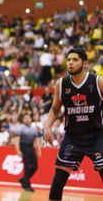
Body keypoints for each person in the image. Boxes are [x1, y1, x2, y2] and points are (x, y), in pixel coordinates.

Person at [44, 48, 103, 201]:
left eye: (75, 60)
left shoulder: (98, 82)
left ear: (84, 63)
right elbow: (55, 109)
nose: (70, 63)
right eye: (68, 59)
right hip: (73, 137)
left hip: (97, 136)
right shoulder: (61, 84)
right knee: (58, 180)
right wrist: (47, 126)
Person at [14, 113, 41, 192]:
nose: (27, 119)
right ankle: (26, 185)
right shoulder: (20, 128)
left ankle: (24, 179)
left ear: (31, 119)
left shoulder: (34, 129)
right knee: (27, 166)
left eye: (28, 118)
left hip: (31, 147)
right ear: (23, 120)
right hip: (24, 147)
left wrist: (39, 150)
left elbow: (37, 140)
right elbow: (16, 140)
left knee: (35, 167)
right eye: (25, 118)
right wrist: (18, 150)